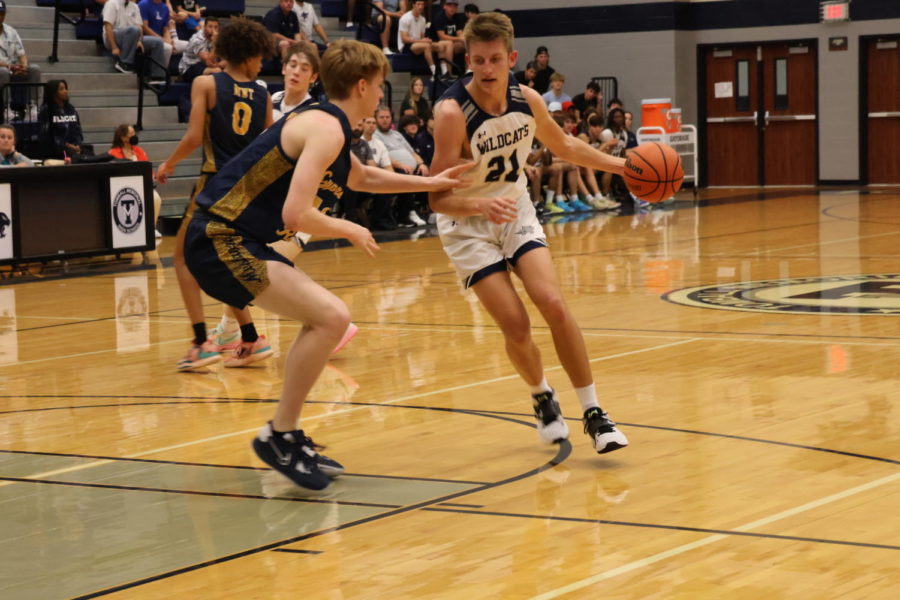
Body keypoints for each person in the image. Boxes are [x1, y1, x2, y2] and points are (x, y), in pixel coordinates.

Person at [182, 39, 471, 491]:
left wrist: (429, 181)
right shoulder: (325, 128)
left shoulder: (325, 122)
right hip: (222, 238)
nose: (381, 97)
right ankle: (280, 434)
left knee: (326, 319)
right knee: (332, 317)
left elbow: (361, 177)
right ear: (361, 86)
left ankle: (285, 432)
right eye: (378, 88)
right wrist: (350, 228)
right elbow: (296, 215)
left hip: (234, 238)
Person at [429, 12, 629, 454]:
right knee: (517, 325)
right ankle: (541, 394)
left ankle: (595, 413)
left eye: (494, 60)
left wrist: (623, 165)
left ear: (511, 58)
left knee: (554, 303)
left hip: (513, 207)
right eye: (477, 60)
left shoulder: (529, 100)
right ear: (468, 57)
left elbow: (566, 146)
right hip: (467, 223)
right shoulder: (450, 112)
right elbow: (436, 198)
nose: (485, 69)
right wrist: (480, 204)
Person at [156, 18, 275, 371]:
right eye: (260, 56)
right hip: (243, 191)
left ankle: (200, 343)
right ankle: (250, 337)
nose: (262, 64)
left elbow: (194, 138)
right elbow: (267, 147)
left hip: (212, 184)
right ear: (250, 55)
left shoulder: (205, 83)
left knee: (181, 259)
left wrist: (168, 164)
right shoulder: (262, 93)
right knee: (224, 263)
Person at [108, 123, 164, 237]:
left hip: (142, 185)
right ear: (123, 138)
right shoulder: (113, 153)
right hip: (122, 189)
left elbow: (149, 170)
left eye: (134, 133)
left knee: (156, 198)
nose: (134, 136)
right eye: (131, 134)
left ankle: (151, 228)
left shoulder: (139, 151)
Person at [102, 0, 167, 83]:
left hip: (132, 37)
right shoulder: (111, 3)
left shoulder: (135, 6)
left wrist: (139, 40)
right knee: (133, 30)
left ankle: (157, 77)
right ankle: (124, 63)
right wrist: (114, 47)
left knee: (157, 42)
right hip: (112, 37)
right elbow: (108, 26)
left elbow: (139, 27)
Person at [398, 0, 453, 81]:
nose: (421, 7)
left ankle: (445, 73)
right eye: (418, 4)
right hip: (406, 46)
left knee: (440, 46)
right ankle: (434, 73)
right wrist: (422, 41)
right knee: (426, 46)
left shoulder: (422, 19)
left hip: (418, 44)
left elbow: (421, 37)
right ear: (413, 5)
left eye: (422, 4)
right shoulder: (405, 18)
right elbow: (404, 39)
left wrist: (425, 40)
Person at [38, 80, 89, 161]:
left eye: (65, 88)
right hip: (56, 149)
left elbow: (78, 129)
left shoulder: (71, 108)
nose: (65, 91)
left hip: (73, 147)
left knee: (89, 152)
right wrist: (67, 145)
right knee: (72, 156)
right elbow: (45, 134)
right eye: (61, 89)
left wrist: (77, 145)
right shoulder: (46, 110)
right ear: (54, 92)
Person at [0, 2, 42, 91]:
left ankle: (32, 103)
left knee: (34, 69)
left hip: (12, 67)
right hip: (4, 68)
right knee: (3, 71)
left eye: (2, 14)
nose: (0, 17)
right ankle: (4, 104)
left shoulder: (12, 31)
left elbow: (21, 54)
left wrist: (24, 67)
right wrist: (10, 67)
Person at [271, 42, 317, 121]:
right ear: (284, 68)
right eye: (293, 65)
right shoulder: (275, 97)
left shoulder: (312, 112)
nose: (296, 72)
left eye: (304, 69)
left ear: (313, 77)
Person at [178, 15, 220, 83]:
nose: (213, 30)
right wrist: (215, 43)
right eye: (210, 27)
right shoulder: (198, 40)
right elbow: (209, 62)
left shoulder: (218, 37)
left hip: (202, 64)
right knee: (217, 71)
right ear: (204, 27)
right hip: (189, 68)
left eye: (216, 27)